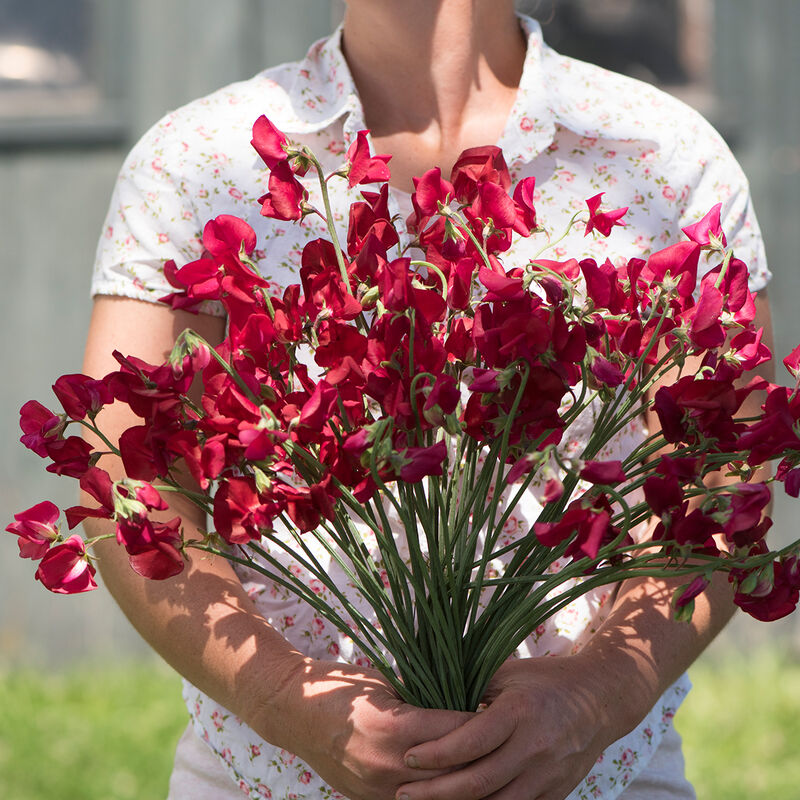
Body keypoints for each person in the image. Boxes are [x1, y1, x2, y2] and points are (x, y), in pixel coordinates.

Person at [83, 2, 773, 798]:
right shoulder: (197, 162)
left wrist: (596, 697)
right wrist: (285, 702)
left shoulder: (661, 154)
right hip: (275, 775)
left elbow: (727, 473)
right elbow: (127, 482)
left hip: (589, 774)